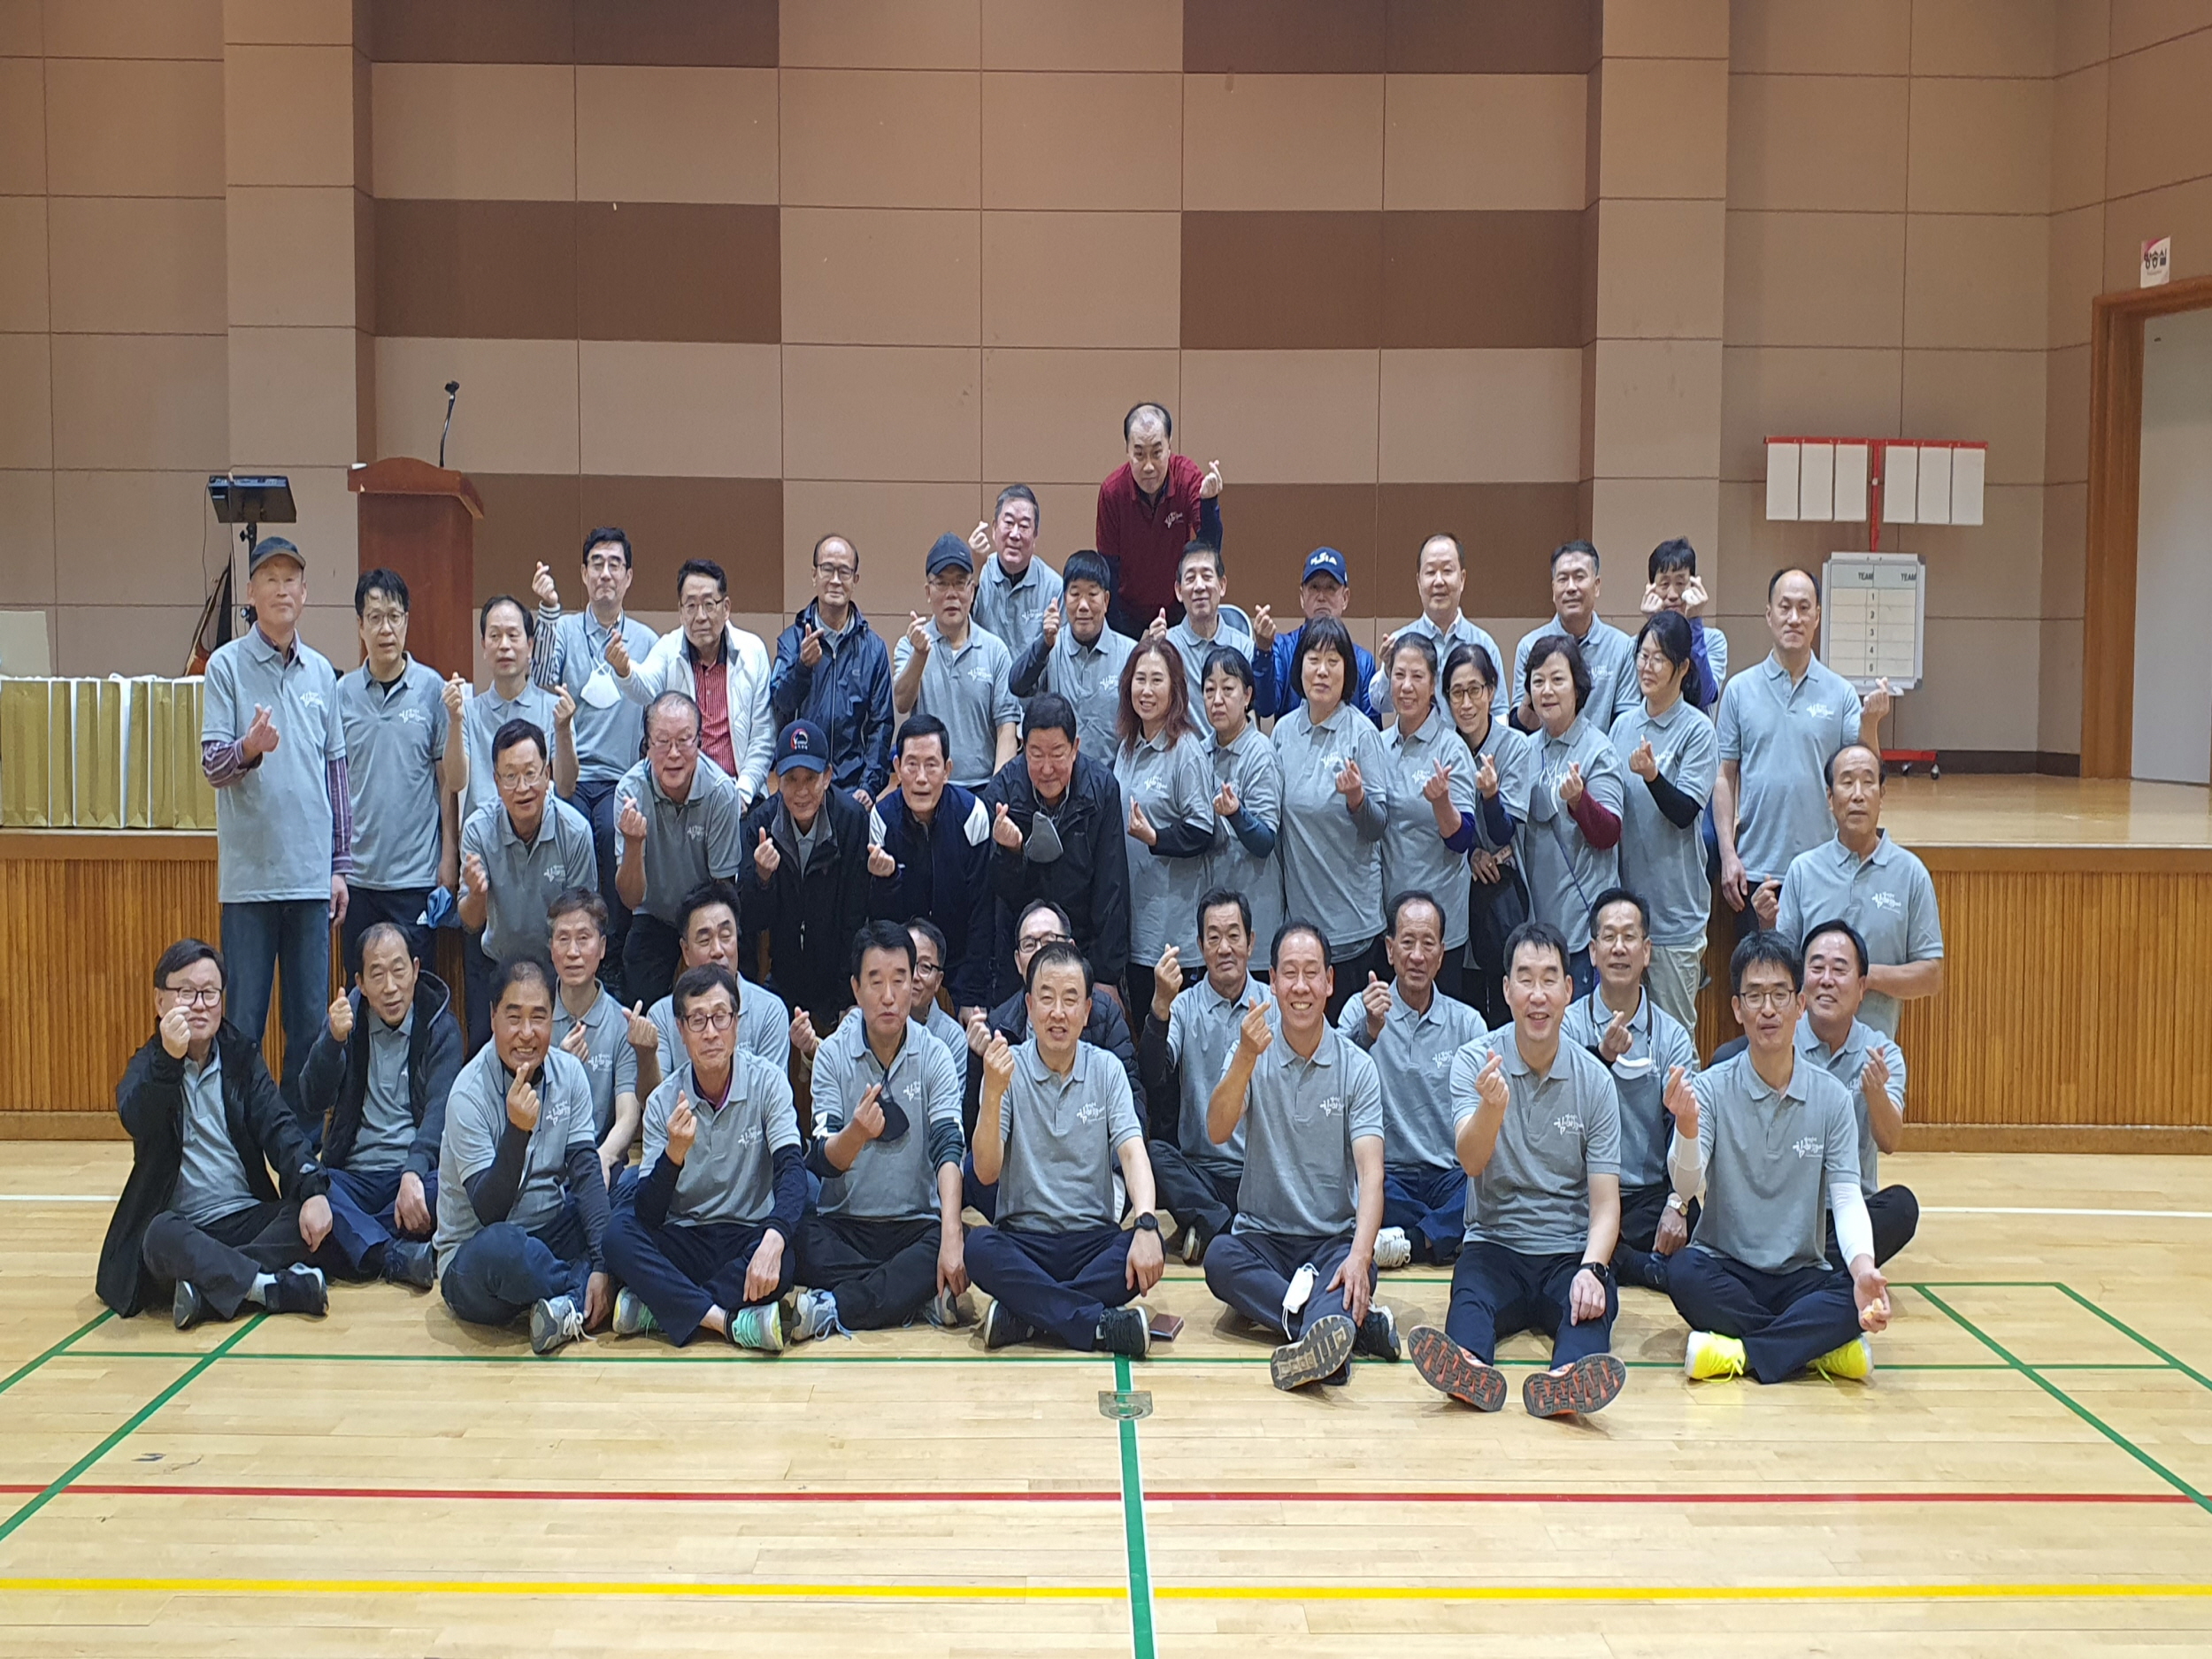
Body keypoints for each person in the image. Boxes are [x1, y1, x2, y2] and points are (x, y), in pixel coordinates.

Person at [1408, 920, 1626, 1418]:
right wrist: (1491, 1108)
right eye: (1525, 979)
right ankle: (1468, 1369)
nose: (1537, 995)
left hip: (1567, 1250)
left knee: (1593, 1303)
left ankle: (1567, 1379)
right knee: (1469, 1298)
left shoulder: (1595, 1080)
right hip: (1495, 1243)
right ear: (1506, 990)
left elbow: (1606, 1205)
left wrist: (1592, 1268)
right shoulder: (1475, 1062)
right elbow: (1470, 1161)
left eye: (1549, 979)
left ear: (1568, 990)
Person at [1668, 933, 1892, 1385]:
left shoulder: (1831, 1097)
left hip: (1799, 1272)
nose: (1767, 1009)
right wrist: (1687, 1129)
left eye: (1779, 994)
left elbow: (1847, 1197)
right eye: (1754, 996)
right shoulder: (1710, 1088)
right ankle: (1811, 1348)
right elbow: (1685, 1186)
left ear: (1800, 1004)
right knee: (1683, 1273)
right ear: (1737, 1009)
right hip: (1726, 1266)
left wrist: (1863, 1267)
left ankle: (1740, 1353)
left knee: (1848, 1292)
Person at [99, 940, 333, 1325]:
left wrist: (311, 1189)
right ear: (160, 1002)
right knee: (158, 1237)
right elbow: (135, 1117)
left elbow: (280, 1128)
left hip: (244, 1217)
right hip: (184, 1228)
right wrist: (169, 1061)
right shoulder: (148, 1065)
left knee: (310, 1213)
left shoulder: (241, 1057)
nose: (199, 1004)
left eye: (210, 993)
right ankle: (266, 1286)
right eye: (185, 992)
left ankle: (210, 1294)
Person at [1203, 922, 1394, 1391]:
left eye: (1312, 973)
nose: (1301, 986)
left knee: (1358, 1268)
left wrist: (1359, 1255)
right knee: (1219, 1258)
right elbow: (1217, 1130)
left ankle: (1317, 1332)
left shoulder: (1357, 1067)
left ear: (1330, 982)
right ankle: (1334, 1332)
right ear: (1272, 981)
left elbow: (1372, 1176)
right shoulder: (1250, 1049)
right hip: (1262, 1239)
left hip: (1331, 1240)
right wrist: (1245, 1058)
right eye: (1290, 973)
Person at [200, 534, 351, 1122]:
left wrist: (340, 867)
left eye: (291, 580)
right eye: (270, 579)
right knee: (243, 1021)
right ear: (251, 592)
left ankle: (301, 1143)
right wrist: (250, 748)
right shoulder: (225, 667)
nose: (282, 589)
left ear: (305, 593)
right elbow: (213, 766)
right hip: (250, 882)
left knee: (309, 1023)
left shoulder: (322, 674)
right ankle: (240, 1140)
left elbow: (336, 775)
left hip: (311, 880)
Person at [966, 941, 1161, 1358]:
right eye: (1047, 998)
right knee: (979, 1248)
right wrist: (993, 1094)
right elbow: (984, 1172)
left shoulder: (1107, 1069)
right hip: (1024, 1240)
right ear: (1029, 1006)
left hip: (1093, 1241)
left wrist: (1146, 1224)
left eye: (1071, 1000)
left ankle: (1028, 1315)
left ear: (1087, 1011)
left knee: (1140, 1249)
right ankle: (1096, 1325)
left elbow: (1132, 1153)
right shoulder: (1005, 1068)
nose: (1058, 1012)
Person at [603, 964, 808, 1353]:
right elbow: (648, 1214)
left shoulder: (768, 1083)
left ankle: (661, 1307)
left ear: (736, 1022)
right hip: (685, 1236)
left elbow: (792, 1171)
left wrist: (774, 1237)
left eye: (720, 1017)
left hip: (746, 1233)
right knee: (617, 1236)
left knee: (785, 1260)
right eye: (697, 1021)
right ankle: (725, 1322)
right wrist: (673, 1156)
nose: (711, 1032)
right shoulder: (663, 1100)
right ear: (681, 1031)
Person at [795, 921, 971, 1333]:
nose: (889, 996)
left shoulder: (936, 1055)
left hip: (916, 1226)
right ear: (856, 990)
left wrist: (951, 1234)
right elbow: (823, 1159)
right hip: (845, 1225)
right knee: (796, 1239)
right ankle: (911, 1297)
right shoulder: (832, 1054)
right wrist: (856, 1133)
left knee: (963, 1244)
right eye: (876, 982)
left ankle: (837, 1305)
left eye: (899, 980)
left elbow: (949, 1147)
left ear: (914, 985)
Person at [433, 956, 612, 1354]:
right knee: (506, 1248)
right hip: (479, 1254)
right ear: (493, 1017)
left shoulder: (570, 1074)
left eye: (539, 1017)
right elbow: (489, 1210)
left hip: (550, 1230)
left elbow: (585, 1174)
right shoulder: (467, 1094)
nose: (527, 1034)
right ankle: (582, 1293)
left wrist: (603, 1261)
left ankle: (569, 1299)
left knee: (625, 1195)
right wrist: (517, 1131)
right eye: (514, 1018)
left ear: (554, 1019)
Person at [1714, 568, 1887, 933]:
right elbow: (1724, 777)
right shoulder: (1739, 690)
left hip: (1824, 869)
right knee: (1762, 970)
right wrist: (1728, 854)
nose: (1794, 618)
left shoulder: (1840, 694)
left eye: (1804, 608)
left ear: (1817, 617)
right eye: (1785, 607)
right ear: (1769, 614)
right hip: (1756, 870)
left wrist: (1871, 723)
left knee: (1823, 970)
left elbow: (1865, 773)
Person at [528, 528, 662, 982]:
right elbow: (542, 677)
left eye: (615, 565)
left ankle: (611, 956)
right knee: (567, 834)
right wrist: (548, 608)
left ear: (629, 577)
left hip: (622, 779)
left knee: (609, 831)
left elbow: (655, 706)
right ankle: (564, 954)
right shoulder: (564, 629)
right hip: (569, 776)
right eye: (597, 564)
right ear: (584, 574)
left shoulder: (646, 640)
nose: (606, 573)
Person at [299, 922, 461, 1289]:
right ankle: (393, 1254)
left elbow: (441, 1112)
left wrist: (414, 1171)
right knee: (308, 1191)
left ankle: (359, 1242)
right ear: (360, 982)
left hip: (415, 1176)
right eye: (377, 974)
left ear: (416, 970)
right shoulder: (345, 1022)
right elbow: (311, 1099)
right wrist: (332, 1042)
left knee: (455, 1188)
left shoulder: (441, 1026)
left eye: (398, 971)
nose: (390, 987)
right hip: (354, 1175)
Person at [1339, 890, 1486, 1269]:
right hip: (1388, 1174)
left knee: (1486, 1186)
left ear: (1442, 954)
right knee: (1356, 1185)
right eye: (1407, 943)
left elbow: (1486, 1118)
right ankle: (1441, 1236)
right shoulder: (1360, 1008)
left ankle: (1411, 1240)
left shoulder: (1468, 1024)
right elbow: (1332, 1080)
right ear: (1390, 950)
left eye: (1428, 944)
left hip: (1450, 1175)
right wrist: (1369, 1031)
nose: (1417, 955)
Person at [1560, 891, 1699, 1293]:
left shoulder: (1672, 1036)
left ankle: (1616, 1258)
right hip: (1583, 1193)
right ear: (1592, 952)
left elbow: (1687, 1129)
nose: (1619, 948)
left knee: (1704, 1227)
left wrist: (1677, 1204)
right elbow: (1561, 1106)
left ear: (1647, 950)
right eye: (1608, 937)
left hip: (1646, 1195)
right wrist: (1601, 1057)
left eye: (1629, 937)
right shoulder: (1567, 1026)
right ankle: (1638, 1265)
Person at [338, 567, 465, 976]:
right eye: (375, 618)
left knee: (417, 988)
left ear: (407, 621)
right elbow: (333, 786)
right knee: (362, 989)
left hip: (416, 877)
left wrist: (449, 857)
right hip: (358, 878)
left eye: (394, 616)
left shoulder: (432, 690)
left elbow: (447, 783)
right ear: (360, 625)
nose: (386, 629)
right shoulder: (342, 695)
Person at [959, 900, 1146, 1174]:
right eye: (1029, 944)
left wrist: (1113, 1176)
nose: (1040, 951)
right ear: (1018, 962)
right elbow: (976, 1132)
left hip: (1093, 1163)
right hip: (1026, 1166)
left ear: (1071, 949)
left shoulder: (1103, 1013)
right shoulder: (998, 1025)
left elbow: (1133, 1106)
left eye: (1049, 940)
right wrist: (980, 1061)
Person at [1770, 745, 1943, 1039]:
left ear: (1882, 794)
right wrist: (1767, 924)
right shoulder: (1803, 871)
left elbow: (1931, 976)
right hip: (1802, 1054)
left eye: (1868, 782)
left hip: (1874, 1054)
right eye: (1847, 782)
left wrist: (1864, 976)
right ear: (1830, 797)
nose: (1858, 795)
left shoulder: (1911, 873)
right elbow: (1782, 970)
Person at [1139, 888, 1265, 1265]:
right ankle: (1227, 1228)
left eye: (1233, 936)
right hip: (1200, 1173)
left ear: (1250, 942)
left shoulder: (1272, 1004)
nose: (1224, 948)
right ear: (1200, 946)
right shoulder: (1183, 1005)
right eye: (1213, 938)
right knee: (1151, 1154)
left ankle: (1207, 1226)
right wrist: (1161, 1003)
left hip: (1259, 1172)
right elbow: (1153, 1074)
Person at [1272, 617, 1391, 1018]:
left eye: (1333, 661)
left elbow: (1378, 826)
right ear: (1299, 667)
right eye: (1313, 659)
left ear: (1348, 672)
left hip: (1355, 930)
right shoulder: (1283, 733)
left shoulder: (1362, 733)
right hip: (1302, 932)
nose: (1322, 671)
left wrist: (1357, 799)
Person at [979, 694, 1132, 1007]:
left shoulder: (1102, 788)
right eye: (1036, 755)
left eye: (1057, 754)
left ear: (1075, 748)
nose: (1047, 768)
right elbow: (998, 894)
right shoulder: (1001, 793)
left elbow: (1112, 886)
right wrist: (1011, 853)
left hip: (1082, 945)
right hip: (1020, 952)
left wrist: (1106, 975)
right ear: (1022, 748)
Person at [457, 718, 597, 1050]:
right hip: (498, 966)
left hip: (557, 970)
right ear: (496, 781)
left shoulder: (575, 831)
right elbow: (471, 922)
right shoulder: (477, 830)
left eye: (531, 773)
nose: (522, 787)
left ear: (548, 774)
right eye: (510, 776)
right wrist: (477, 894)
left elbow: (585, 922)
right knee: (483, 1054)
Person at [1611, 611, 1719, 1031]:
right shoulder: (1623, 726)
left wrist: (1653, 777)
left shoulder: (1697, 730)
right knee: (1625, 1034)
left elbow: (1685, 812)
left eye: (1659, 658)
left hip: (1675, 915)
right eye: (1643, 655)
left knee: (1672, 1037)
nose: (1647, 666)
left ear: (1683, 667)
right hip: (1627, 916)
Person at [740, 719, 875, 1033]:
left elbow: (855, 916)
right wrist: (761, 878)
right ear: (777, 780)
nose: (801, 791)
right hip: (782, 974)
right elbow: (751, 920)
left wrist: (846, 997)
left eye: (811, 778)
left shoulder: (852, 821)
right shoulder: (761, 824)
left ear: (827, 777)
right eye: (791, 779)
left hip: (837, 975)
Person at [612, 692, 746, 1010]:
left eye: (684, 740)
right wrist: (633, 844)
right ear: (647, 746)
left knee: (720, 994)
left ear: (699, 741)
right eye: (662, 742)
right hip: (654, 914)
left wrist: (702, 939)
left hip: (705, 915)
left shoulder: (720, 792)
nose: (673, 753)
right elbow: (631, 899)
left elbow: (723, 889)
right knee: (640, 1000)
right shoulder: (630, 792)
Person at [1799, 919, 1917, 1264]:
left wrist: (1876, 1094)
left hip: (1850, 1208)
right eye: (1817, 968)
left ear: (1862, 987)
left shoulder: (1882, 1053)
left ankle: (1809, 1268)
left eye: (1839, 970)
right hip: (1788, 1210)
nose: (1827, 980)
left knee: (1902, 1207)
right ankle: (1832, 1269)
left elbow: (1890, 1141)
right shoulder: (1779, 1044)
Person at [614, 558, 773, 805]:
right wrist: (625, 670)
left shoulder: (753, 652)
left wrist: (742, 794)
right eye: (691, 606)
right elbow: (645, 688)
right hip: (683, 795)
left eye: (709, 605)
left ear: (726, 608)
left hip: (741, 790)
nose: (700, 616)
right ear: (680, 612)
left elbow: (762, 738)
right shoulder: (668, 649)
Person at [1114, 640, 1217, 1021]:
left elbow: (1203, 830)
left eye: (1157, 680)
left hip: (1175, 936)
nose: (1146, 690)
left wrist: (1155, 838)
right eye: (1139, 679)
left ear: (1175, 689)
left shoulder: (1186, 749)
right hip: (1135, 928)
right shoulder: (1127, 747)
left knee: (1173, 1041)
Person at [1376, 634, 1481, 999]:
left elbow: (1463, 840)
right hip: (1391, 921)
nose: (1406, 686)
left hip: (1439, 926)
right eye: (1399, 675)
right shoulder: (1377, 745)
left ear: (1433, 684)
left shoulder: (1451, 748)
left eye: (1417, 676)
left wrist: (1441, 803)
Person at [870, 715, 995, 1018]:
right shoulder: (881, 819)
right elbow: (879, 921)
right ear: (898, 767)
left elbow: (982, 913)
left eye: (931, 765)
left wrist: (971, 994)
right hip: (903, 966)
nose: (921, 778)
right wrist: (886, 880)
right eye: (912, 765)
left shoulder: (973, 815)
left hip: (962, 960)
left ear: (947, 770)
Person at [1519, 635, 1625, 992]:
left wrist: (1580, 802)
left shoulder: (1598, 750)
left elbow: (1610, 833)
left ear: (1577, 687)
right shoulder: (1524, 750)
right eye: (1538, 681)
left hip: (1583, 928)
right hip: (1537, 927)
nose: (1546, 691)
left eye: (1557, 679)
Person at [1443, 641, 1534, 1031]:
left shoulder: (1515, 746)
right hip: (1454, 891)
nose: (1466, 703)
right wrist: (1471, 855)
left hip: (1500, 893)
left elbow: (1504, 832)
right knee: (1461, 1009)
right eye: (1456, 693)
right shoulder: (1444, 748)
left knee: (1502, 1007)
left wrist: (1492, 795)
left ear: (1492, 691)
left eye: (1474, 690)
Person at [545, 888, 658, 1194]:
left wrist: (603, 1158)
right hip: (540, 1158)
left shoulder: (620, 1023)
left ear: (603, 947)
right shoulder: (535, 1016)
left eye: (584, 938)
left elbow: (628, 1114)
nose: (573, 952)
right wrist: (560, 1067)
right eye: (563, 939)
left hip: (599, 1156)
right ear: (551, 948)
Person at [771, 533, 896, 806]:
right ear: (814, 575)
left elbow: (881, 725)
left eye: (844, 571)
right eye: (827, 569)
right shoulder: (792, 640)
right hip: (802, 784)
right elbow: (780, 704)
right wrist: (802, 667)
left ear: (855, 579)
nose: (836, 579)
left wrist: (869, 787)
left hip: (853, 789)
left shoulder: (873, 649)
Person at [892, 534, 1021, 789]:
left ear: (971, 591)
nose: (951, 594)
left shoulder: (995, 650)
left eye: (960, 583)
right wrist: (920, 655)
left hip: (982, 786)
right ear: (928, 592)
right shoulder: (910, 644)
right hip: (927, 786)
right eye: (942, 584)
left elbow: (1006, 729)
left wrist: (997, 791)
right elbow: (902, 702)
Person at [1094, 401, 1223, 634]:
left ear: (1169, 447)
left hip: (1178, 605)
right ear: (1127, 451)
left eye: (1156, 453)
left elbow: (1209, 550)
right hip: (1127, 609)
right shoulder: (1112, 492)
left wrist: (1209, 504)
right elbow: (1108, 568)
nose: (1149, 466)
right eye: (1139, 454)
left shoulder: (1187, 477)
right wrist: (1118, 637)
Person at [644, 882, 792, 1078]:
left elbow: (772, 1092)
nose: (717, 951)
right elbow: (657, 1095)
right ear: (686, 951)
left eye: (725, 936)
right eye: (705, 940)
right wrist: (645, 1056)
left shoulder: (769, 1011)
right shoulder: (662, 1016)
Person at [458, 594, 578, 827]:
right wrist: (454, 721)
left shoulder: (554, 709)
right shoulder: (468, 713)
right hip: (484, 837)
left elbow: (566, 787)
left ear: (530, 646)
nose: (504, 645)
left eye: (513, 635)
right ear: (484, 646)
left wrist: (563, 730)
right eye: (495, 636)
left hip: (540, 832)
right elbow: (455, 782)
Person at [1009, 548, 1135, 762]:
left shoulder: (1129, 653)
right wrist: (1044, 644)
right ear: (1064, 599)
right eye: (1075, 594)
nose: (1083, 606)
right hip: (1058, 775)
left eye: (1092, 595)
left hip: (1113, 776)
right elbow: (1017, 685)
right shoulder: (1050, 646)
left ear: (1106, 600)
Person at [1199, 646, 1284, 960]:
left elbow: (1265, 841)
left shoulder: (1260, 752)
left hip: (1255, 913)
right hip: (1213, 912)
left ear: (1247, 695)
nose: (1217, 699)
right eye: (1209, 690)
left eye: (1227, 689)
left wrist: (1235, 814)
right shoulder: (1199, 752)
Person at [1366, 533, 1504, 718]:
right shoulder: (1400, 642)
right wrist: (1387, 669)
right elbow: (1379, 704)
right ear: (1419, 582)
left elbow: (1499, 713)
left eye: (1447, 571)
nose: (1439, 581)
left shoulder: (1484, 644)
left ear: (1462, 579)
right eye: (1430, 572)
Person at [1510, 541, 1636, 734]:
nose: (1571, 587)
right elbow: (1519, 729)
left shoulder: (1622, 647)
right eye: (1562, 579)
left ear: (1597, 586)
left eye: (1579, 577)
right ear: (1553, 589)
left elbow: (1626, 724)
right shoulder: (1529, 646)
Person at [1252, 547, 1379, 723]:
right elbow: (1264, 708)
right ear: (1302, 597)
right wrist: (1263, 651)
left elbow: (1372, 731)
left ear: (1345, 598)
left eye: (1330, 588)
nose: (1321, 597)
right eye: (1314, 587)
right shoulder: (1282, 648)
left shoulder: (1364, 662)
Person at [1152, 540, 1253, 730]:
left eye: (1207, 576)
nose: (1199, 586)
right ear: (1178, 591)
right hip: (1181, 748)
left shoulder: (1244, 646)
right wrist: (1153, 653)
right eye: (1190, 578)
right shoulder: (1166, 645)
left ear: (1222, 585)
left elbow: (1252, 712)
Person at [969, 485, 1063, 660]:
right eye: (1009, 523)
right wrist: (974, 573)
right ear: (994, 529)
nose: (1015, 534)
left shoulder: (1054, 588)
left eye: (1024, 526)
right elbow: (957, 630)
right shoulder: (978, 575)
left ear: (1035, 535)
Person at [1641, 537, 1727, 710]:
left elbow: (1703, 696)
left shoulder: (1713, 640)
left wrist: (1695, 622)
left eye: (1680, 583)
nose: (1673, 595)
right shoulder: (1636, 646)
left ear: (1693, 585)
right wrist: (1656, 627)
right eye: (1664, 584)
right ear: (1651, 589)